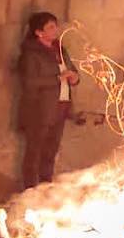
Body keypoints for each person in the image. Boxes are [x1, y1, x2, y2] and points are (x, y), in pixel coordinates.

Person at [18, 12, 80, 190]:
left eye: (55, 26)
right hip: (40, 109)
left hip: (61, 106)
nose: (55, 30)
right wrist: (57, 79)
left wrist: (74, 77)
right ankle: (30, 191)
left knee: (51, 151)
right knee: (35, 152)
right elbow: (30, 82)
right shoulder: (31, 54)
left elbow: (72, 71)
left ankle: (46, 188)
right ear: (39, 32)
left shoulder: (60, 50)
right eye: (50, 27)